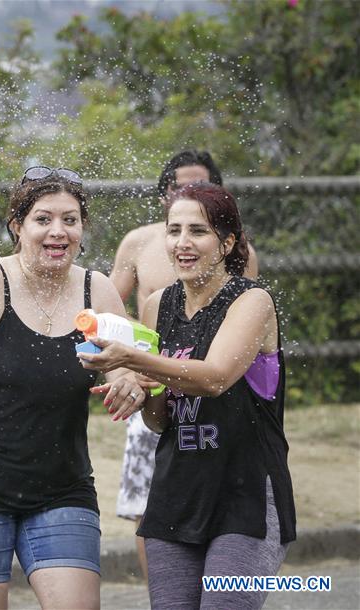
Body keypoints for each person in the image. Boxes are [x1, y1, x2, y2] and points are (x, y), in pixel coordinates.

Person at [0, 167, 147, 610]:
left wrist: (129, 386)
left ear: (82, 228)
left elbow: (125, 366)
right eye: (43, 219)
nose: (57, 231)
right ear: (17, 226)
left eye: (70, 219)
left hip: (63, 487)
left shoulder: (96, 290)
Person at [79, 182, 296, 609]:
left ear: (227, 241)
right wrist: (138, 388)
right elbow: (160, 420)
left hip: (246, 494)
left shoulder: (252, 301)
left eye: (197, 231)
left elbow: (214, 378)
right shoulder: (158, 305)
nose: (182, 242)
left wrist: (137, 361)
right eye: (173, 230)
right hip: (176, 493)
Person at [108, 149, 259, 580]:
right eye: (178, 187)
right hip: (155, 374)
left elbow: (229, 332)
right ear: (163, 195)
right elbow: (112, 305)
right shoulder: (139, 243)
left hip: (205, 383)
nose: (183, 241)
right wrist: (128, 361)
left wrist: (139, 360)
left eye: (201, 185)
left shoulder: (241, 261)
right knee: (147, 499)